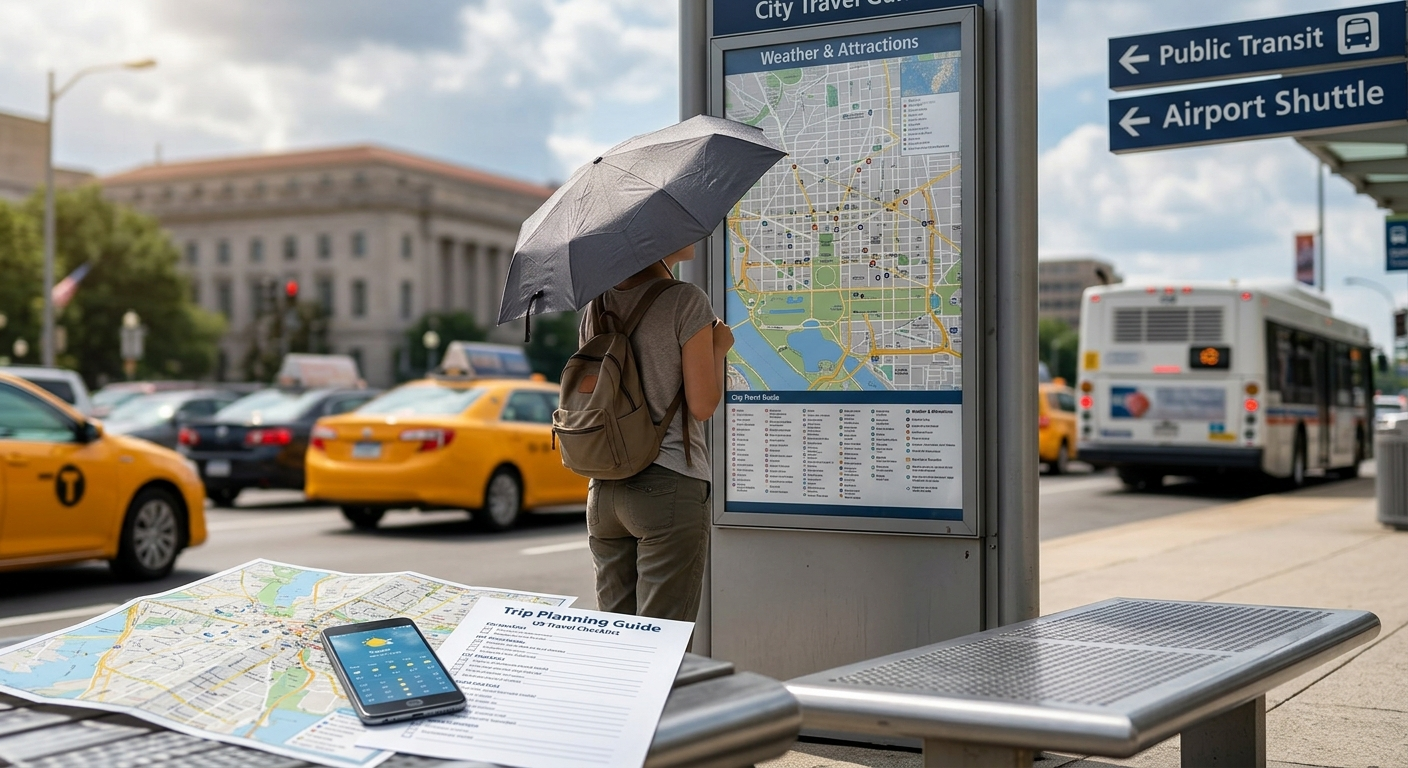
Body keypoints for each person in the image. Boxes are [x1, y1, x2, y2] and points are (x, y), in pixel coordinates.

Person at [581, 243, 733, 622]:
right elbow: (702, 406)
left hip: (604, 489)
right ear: (658, 238)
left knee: (616, 637)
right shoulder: (685, 300)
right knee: (662, 643)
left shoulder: (596, 306)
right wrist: (718, 348)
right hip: (667, 482)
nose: (695, 236)